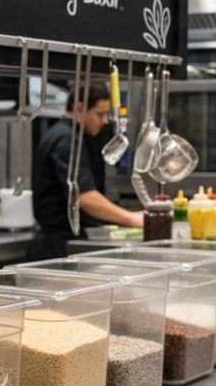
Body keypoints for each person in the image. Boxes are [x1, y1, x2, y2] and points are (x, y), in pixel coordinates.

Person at [28, 84, 142, 260]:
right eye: (100, 114)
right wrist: (131, 219)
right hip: (57, 247)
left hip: (66, 241)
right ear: (80, 108)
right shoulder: (66, 140)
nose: (105, 121)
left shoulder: (72, 135)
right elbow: (85, 197)